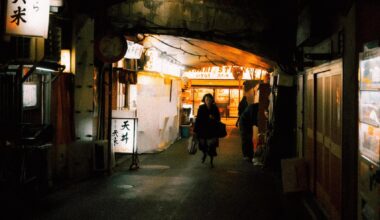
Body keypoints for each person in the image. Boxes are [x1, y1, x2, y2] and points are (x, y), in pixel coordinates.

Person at [194, 93, 221, 168]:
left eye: (209, 99)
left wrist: (214, 118)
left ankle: (211, 161)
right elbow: (198, 119)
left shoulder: (215, 108)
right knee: (202, 145)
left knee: (212, 146)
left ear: (212, 100)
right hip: (202, 130)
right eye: (206, 100)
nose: (208, 101)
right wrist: (195, 130)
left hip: (212, 130)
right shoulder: (201, 108)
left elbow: (218, 119)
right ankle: (204, 154)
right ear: (204, 100)